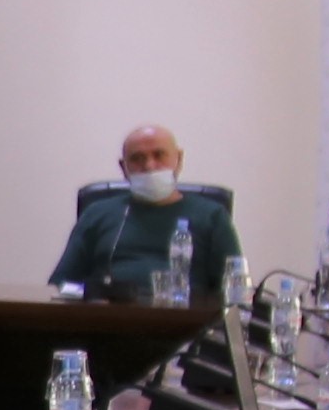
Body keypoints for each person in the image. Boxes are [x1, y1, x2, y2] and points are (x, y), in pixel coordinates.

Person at [43, 125, 228, 302]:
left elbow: (232, 288)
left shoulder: (212, 216)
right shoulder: (97, 213)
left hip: (184, 317)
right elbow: (60, 283)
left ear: (179, 159)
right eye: (137, 158)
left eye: (159, 155)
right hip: (108, 317)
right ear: (123, 167)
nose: (149, 165)